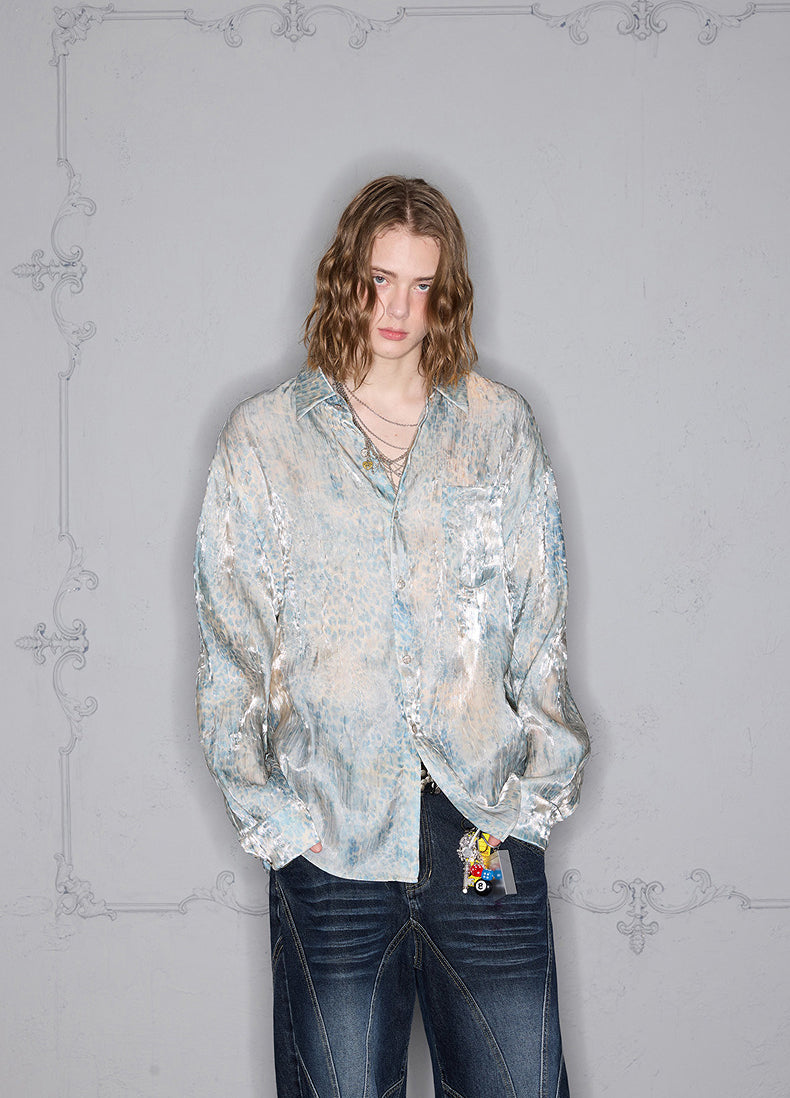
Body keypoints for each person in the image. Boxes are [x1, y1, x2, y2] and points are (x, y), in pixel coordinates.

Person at [195, 175, 589, 1098]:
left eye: (421, 284)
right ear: (347, 277)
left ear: (446, 292)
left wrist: (530, 807)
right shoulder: (266, 440)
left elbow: (542, 626)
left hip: (481, 831)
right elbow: (229, 647)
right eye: (380, 280)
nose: (398, 309)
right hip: (332, 839)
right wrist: (281, 828)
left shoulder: (498, 429)